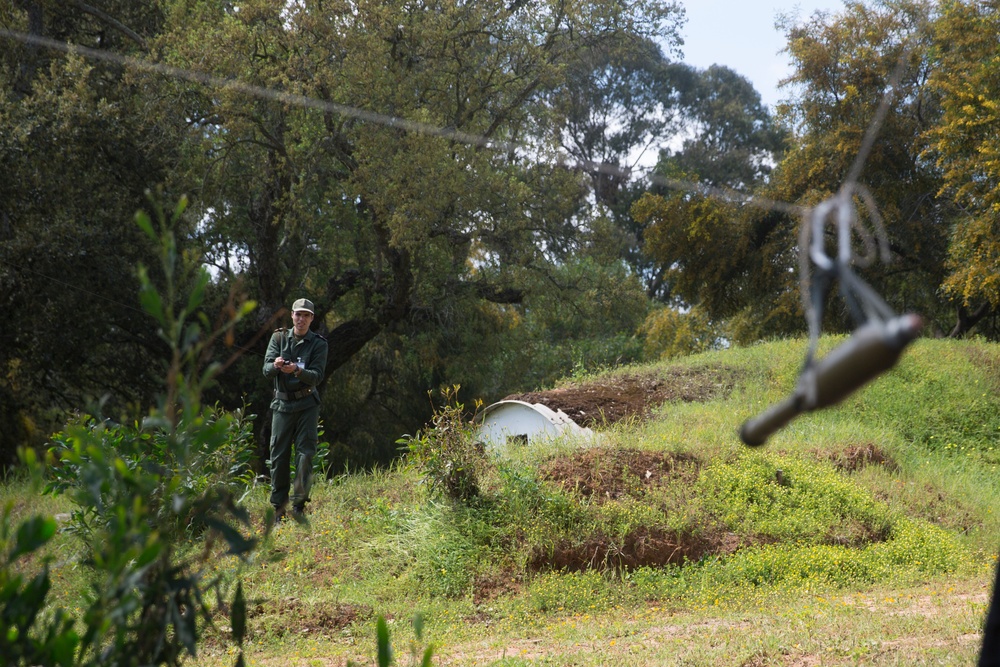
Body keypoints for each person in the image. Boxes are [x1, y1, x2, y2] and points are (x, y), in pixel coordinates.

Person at [262, 298, 328, 522]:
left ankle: (298, 505)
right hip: (281, 405)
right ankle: (278, 507)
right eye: (298, 314)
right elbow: (266, 370)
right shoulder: (278, 337)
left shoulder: (319, 344)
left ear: (312, 318)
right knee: (278, 456)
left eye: (306, 315)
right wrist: (277, 365)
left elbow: (317, 376)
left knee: (305, 454)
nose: (301, 319)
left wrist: (297, 371)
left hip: (307, 404)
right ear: (291, 315)